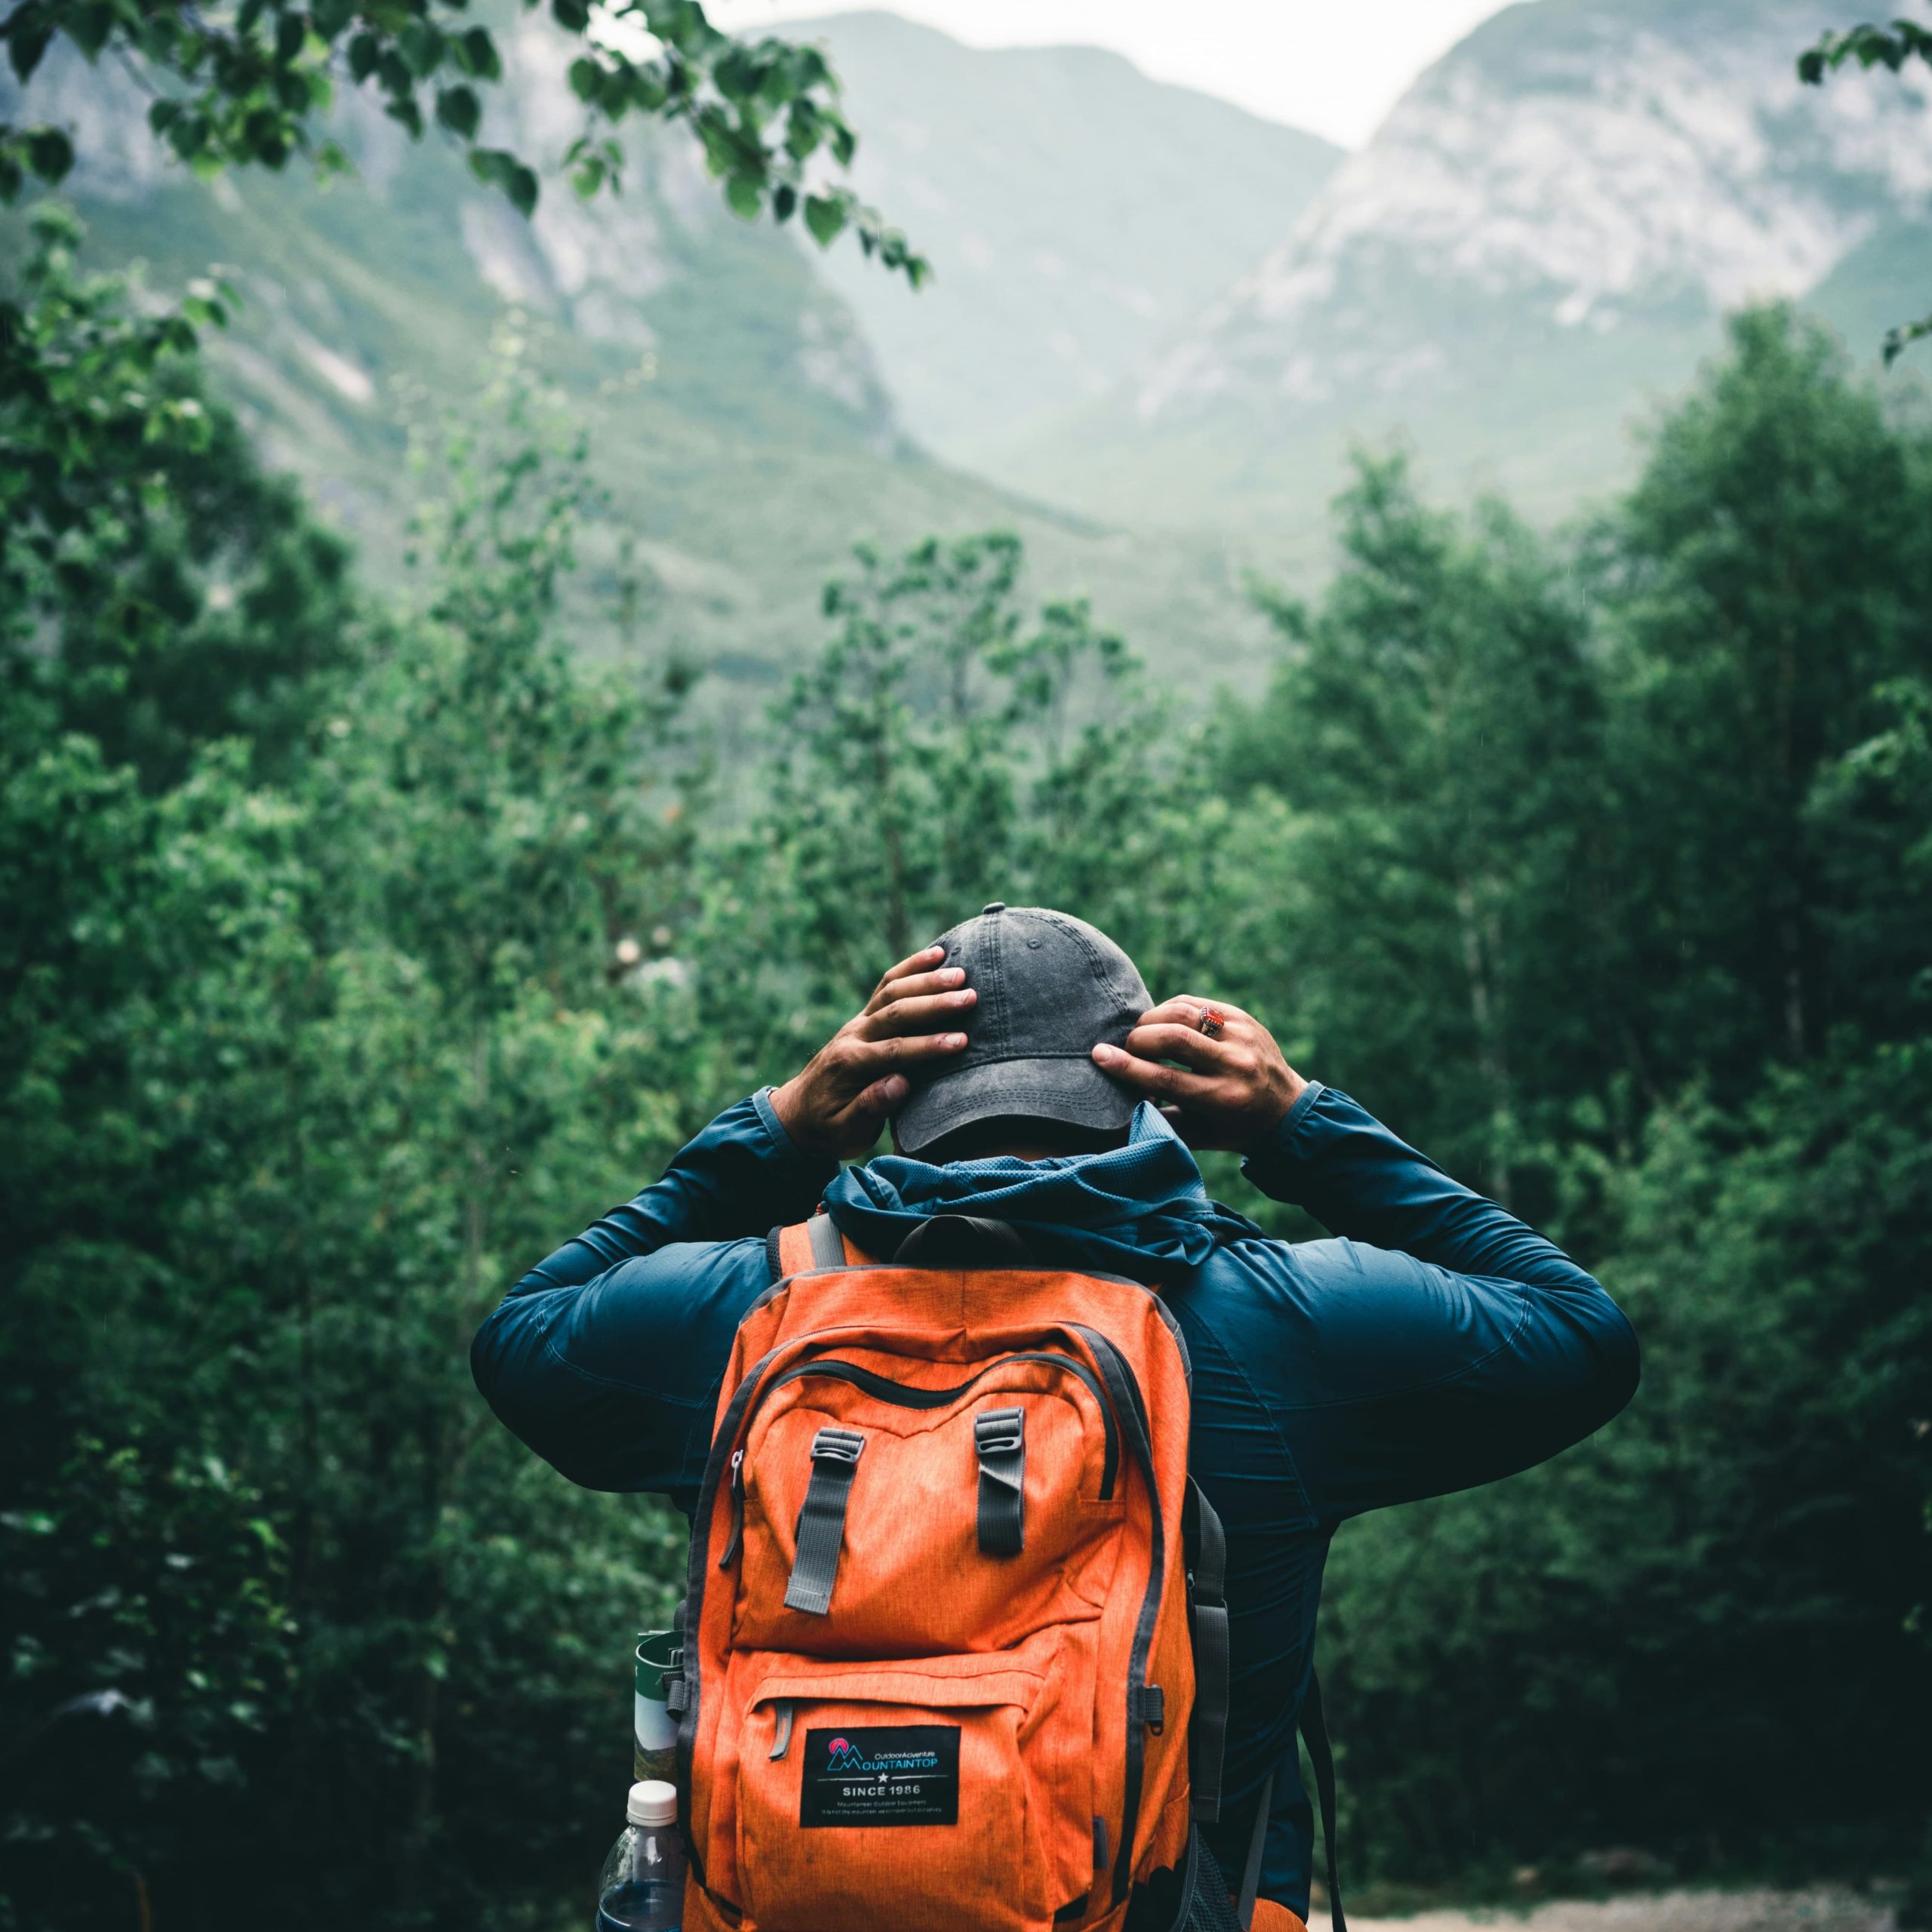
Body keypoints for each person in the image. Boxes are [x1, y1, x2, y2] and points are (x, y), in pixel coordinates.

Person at [472, 904, 1639, 1926]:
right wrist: (1298, 1124)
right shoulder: (1278, 1322)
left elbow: (521, 1338)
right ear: (1140, 1087)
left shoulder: (749, 1319)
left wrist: (776, 1132)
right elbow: (1579, 1337)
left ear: (891, 1096)